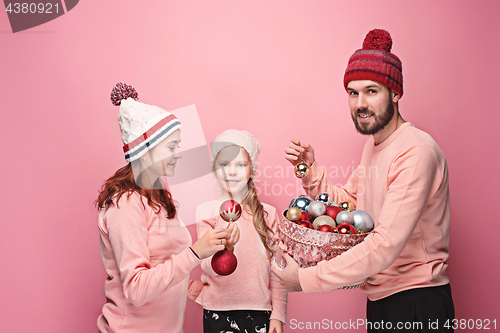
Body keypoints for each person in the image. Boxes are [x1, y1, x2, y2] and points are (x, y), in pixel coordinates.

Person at [273, 29, 455, 332]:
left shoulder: (416, 151)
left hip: (417, 303)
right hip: (382, 300)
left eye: (372, 91)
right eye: (353, 92)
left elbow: (385, 244)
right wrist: (308, 170)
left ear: (395, 93)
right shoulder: (374, 146)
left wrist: (304, 280)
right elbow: (349, 204)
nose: (360, 103)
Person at [95, 83, 238, 333]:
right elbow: (136, 290)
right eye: (172, 146)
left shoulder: (159, 196)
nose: (178, 154)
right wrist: (194, 253)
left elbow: (170, 269)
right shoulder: (126, 204)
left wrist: (219, 247)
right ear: (146, 149)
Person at [195, 129, 287, 333]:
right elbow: (206, 266)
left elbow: (277, 269)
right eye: (224, 164)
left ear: (252, 169)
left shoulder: (268, 214)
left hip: (260, 312)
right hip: (217, 310)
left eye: (240, 164)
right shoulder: (206, 211)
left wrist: (278, 315)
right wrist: (225, 249)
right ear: (214, 168)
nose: (232, 171)